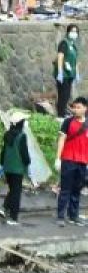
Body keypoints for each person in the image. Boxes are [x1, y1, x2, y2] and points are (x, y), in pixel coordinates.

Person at [55, 96, 88, 226]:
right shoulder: (68, 122)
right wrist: (58, 158)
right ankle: (61, 216)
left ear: (85, 108)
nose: (76, 110)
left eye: (79, 107)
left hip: (82, 161)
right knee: (65, 189)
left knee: (76, 189)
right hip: (68, 159)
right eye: (74, 107)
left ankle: (73, 215)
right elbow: (61, 140)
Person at [0, 110, 31, 226]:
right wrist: (28, 165)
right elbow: (24, 154)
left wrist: (1, 165)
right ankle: (13, 218)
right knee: (16, 193)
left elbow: (3, 151)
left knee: (12, 190)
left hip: (7, 168)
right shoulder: (22, 136)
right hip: (17, 169)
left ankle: (4, 207)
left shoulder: (7, 134)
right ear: (20, 123)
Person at [55, 24, 79, 118]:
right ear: (68, 32)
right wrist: (60, 72)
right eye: (72, 31)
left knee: (67, 94)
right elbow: (60, 57)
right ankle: (60, 114)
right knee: (63, 94)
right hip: (63, 74)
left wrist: (77, 73)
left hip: (70, 74)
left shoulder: (74, 46)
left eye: (76, 32)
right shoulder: (64, 43)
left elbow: (75, 61)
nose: (74, 33)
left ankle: (63, 111)